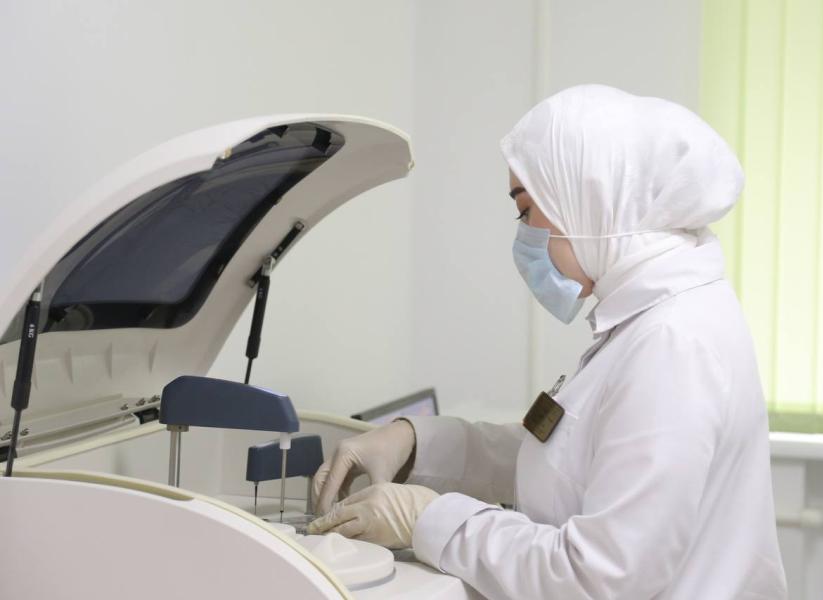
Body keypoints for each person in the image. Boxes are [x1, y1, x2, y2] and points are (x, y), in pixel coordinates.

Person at [308, 84, 788, 599]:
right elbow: (565, 454)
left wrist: (428, 519)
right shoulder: (647, 320)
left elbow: (601, 577)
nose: (524, 236)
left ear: (589, 200)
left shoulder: (671, 345)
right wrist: (419, 443)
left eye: (526, 210)